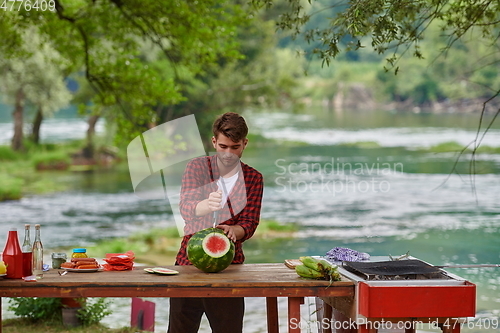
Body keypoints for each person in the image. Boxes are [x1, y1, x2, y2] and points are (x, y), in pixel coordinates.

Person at [168, 112, 264, 333]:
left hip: (230, 268)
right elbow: (187, 208)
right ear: (214, 142)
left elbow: (249, 223)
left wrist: (234, 230)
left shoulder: (253, 178)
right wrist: (205, 205)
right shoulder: (196, 168)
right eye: (223, 147)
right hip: (187, 265)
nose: (228, 153)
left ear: (245, 144)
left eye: (235, 147)